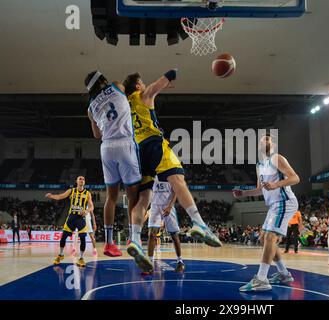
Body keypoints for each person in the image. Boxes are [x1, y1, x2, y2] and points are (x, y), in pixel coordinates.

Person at [122, 70, 221, 269]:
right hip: (154, 145)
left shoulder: (125, 105)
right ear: (138, 86)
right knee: (178, 179)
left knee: (143, 198)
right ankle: (198, 223)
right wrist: (171, 75)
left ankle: (133, 238)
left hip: (136, 151)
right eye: (142, 82)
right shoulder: (144, 95)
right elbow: (164, 79)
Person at [84, 71, 142, 259]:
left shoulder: (90, 107)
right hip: (125, 143)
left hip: (106, 147)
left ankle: (109, 243)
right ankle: (134, 239)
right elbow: (131, 92)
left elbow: (97, 135)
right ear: (103, 80)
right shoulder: (117, 85)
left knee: (111, 197)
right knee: (133, 196)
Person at [233, 135, 300, 292]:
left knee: (270, 237)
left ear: (273, 145)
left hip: (285, 201)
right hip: (273, 205)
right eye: (262, 140)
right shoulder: (259, 165)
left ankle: (261, 279)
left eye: (268, 139)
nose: (265, 141)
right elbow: (260, 189)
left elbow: (295, 178)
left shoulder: (276, 158)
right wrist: (243, 193)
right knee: (264, 238)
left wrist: (276, 184)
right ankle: (284, 273)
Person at [46, 176, 94, 268]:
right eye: (80, 179)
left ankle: (81, 258)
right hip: (71, 217)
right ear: (76, 181)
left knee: (83, 238)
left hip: (81, 218)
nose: (82, 180)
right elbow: (60, 196)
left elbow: (91, 206)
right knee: (63, 237)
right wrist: (52, 196)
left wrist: (86, 211)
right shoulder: (71, 191)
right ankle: (60, 255)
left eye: (83, 179)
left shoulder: (87, 193)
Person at [143, 176, 185, 273]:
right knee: (151, 234)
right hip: (154, 206)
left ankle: (180, 261)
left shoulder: (169, 172)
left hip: (168, 206)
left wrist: (170, 206)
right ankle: (150, 263)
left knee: (174, 235)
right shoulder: (151, 173)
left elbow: (176, 191)